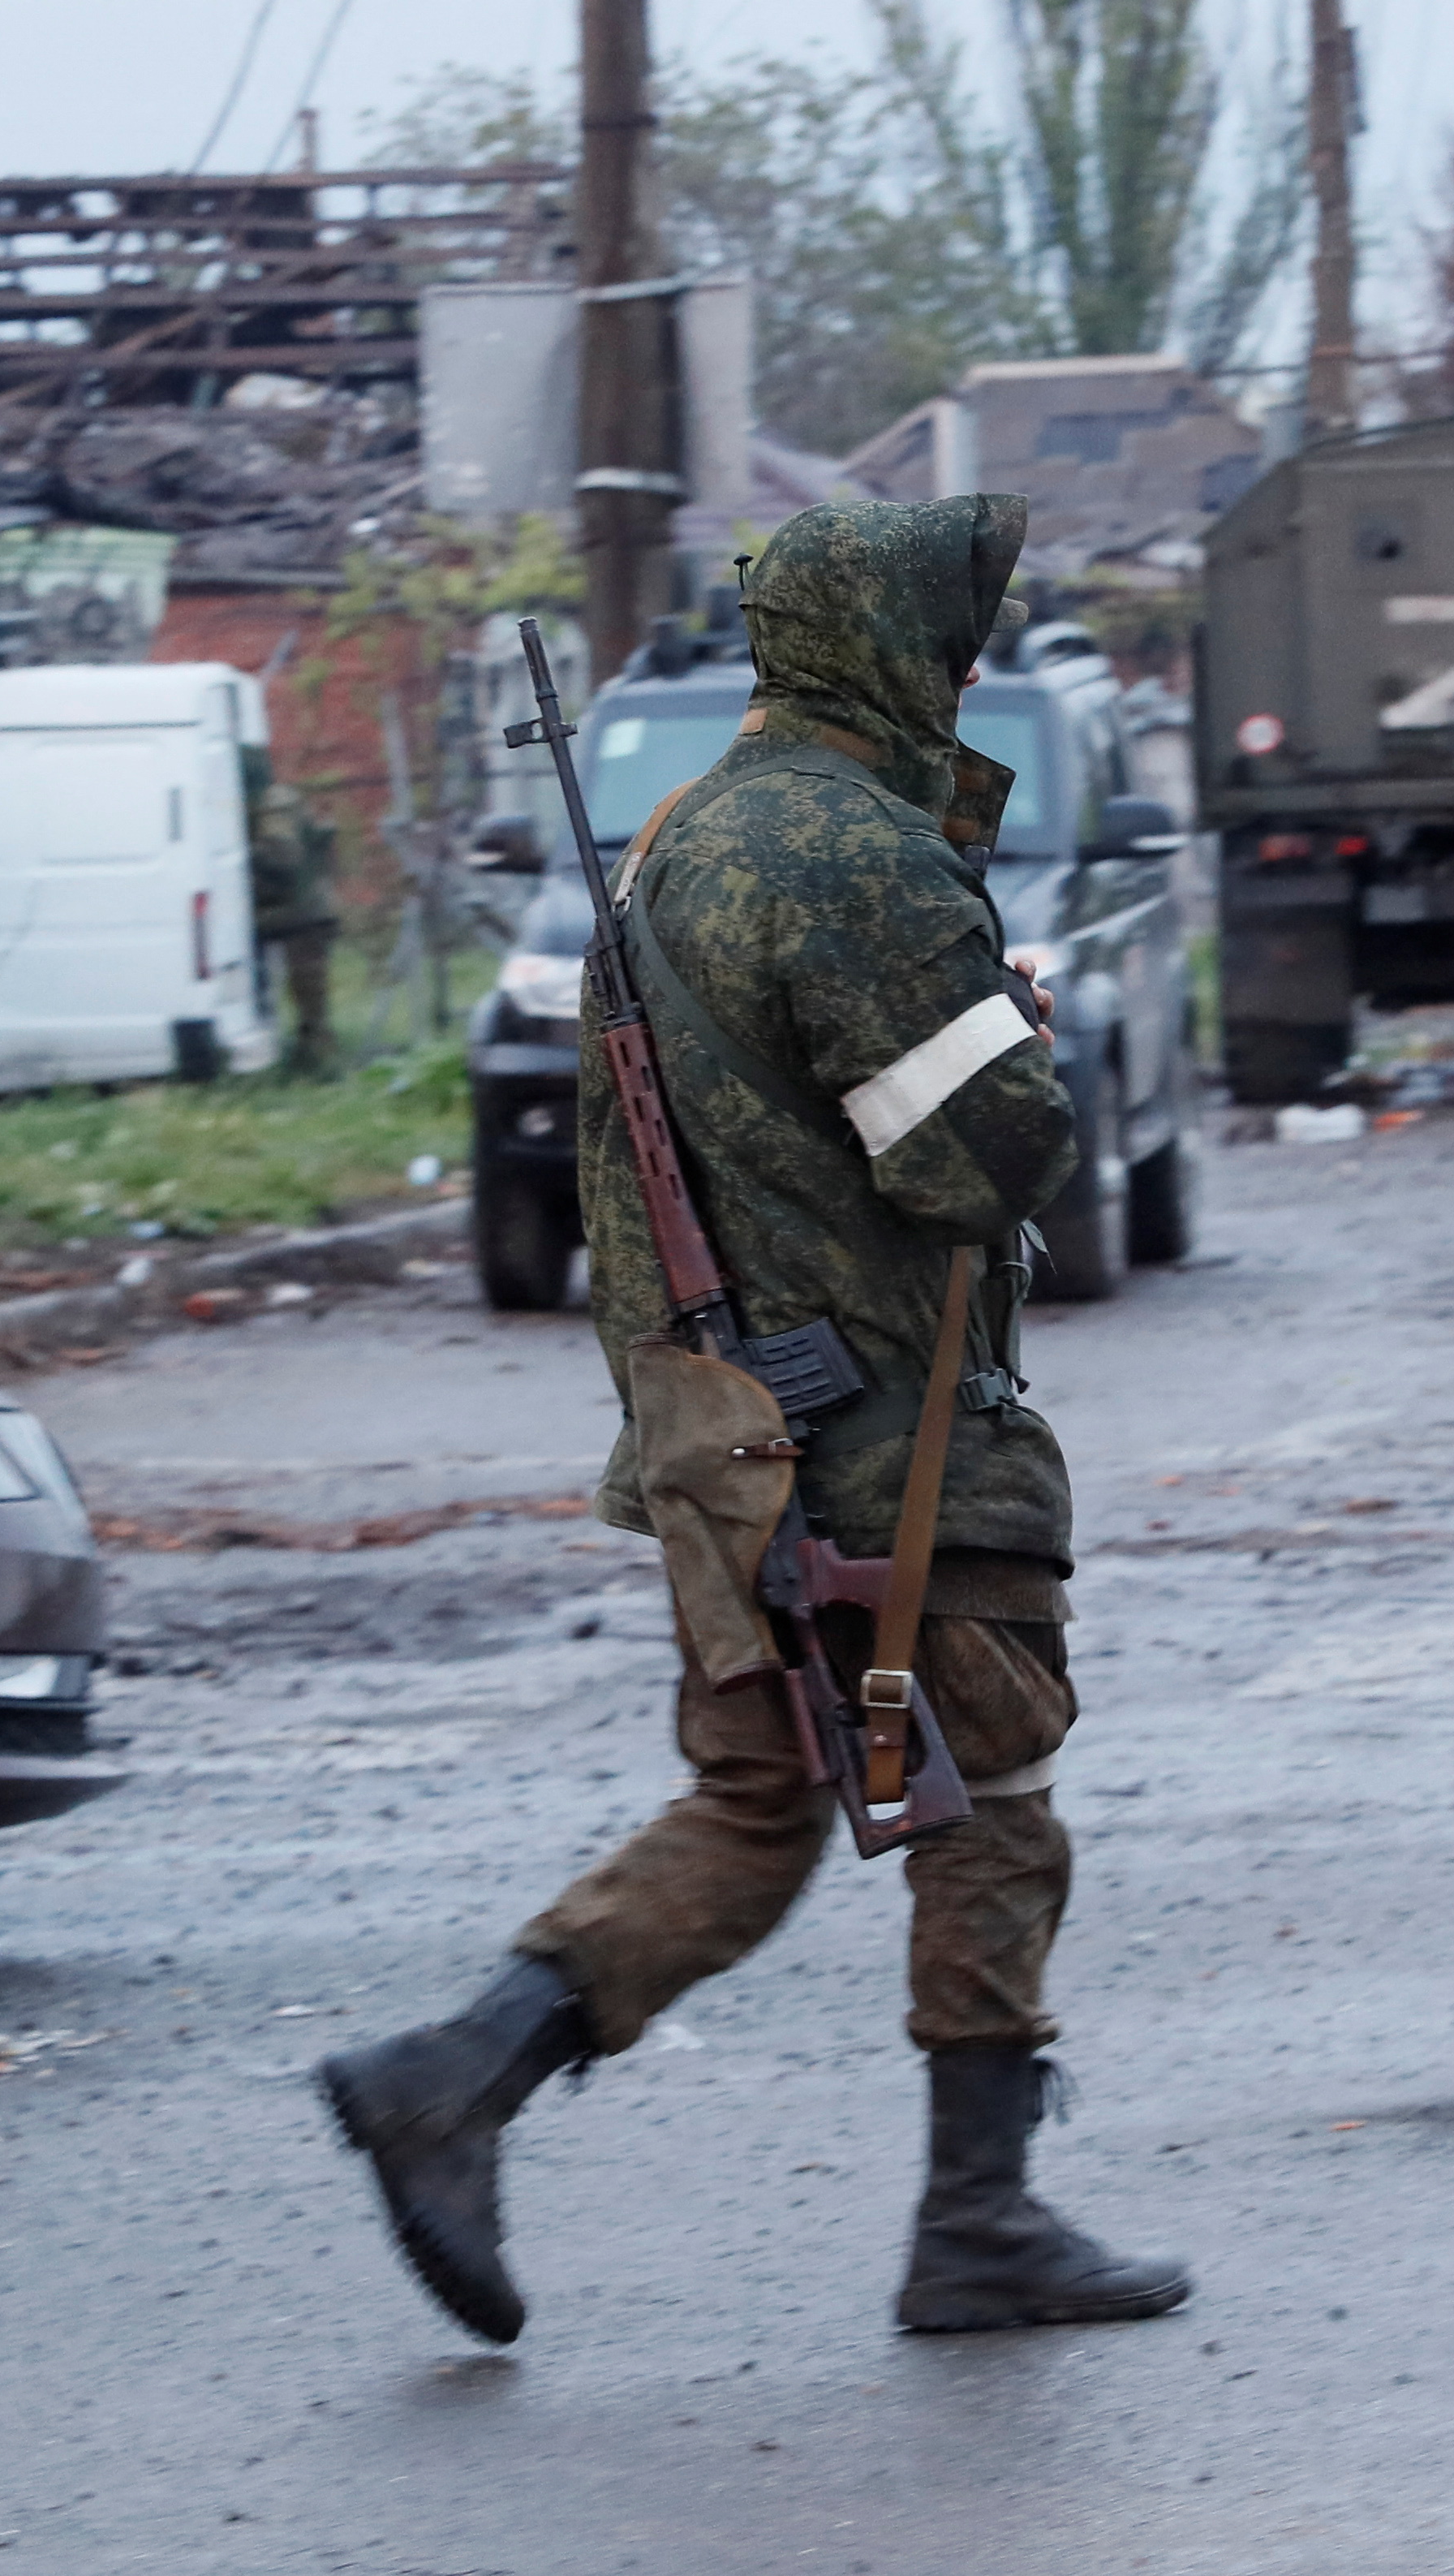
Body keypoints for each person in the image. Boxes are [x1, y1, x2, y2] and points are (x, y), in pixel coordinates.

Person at [318, 496, 1189, 2343]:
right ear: (885, 644)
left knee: (765, 1788)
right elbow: (985, 1152)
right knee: (994, 1809)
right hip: (893, 1428)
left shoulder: (690, 835)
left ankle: (456, 2072)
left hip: (732, 1435)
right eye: (949, 637)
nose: (963, 666)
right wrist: (1012, 1030)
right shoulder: (848, 852)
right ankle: (980, 2217)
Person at [245, 743, 343, 1072]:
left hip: (300, 911)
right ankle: (306, 1052)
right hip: (286, 909)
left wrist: (241, 854)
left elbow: (283, 857)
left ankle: (317, 1060)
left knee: (310, 998)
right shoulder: (263, 801)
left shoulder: (274, 803)